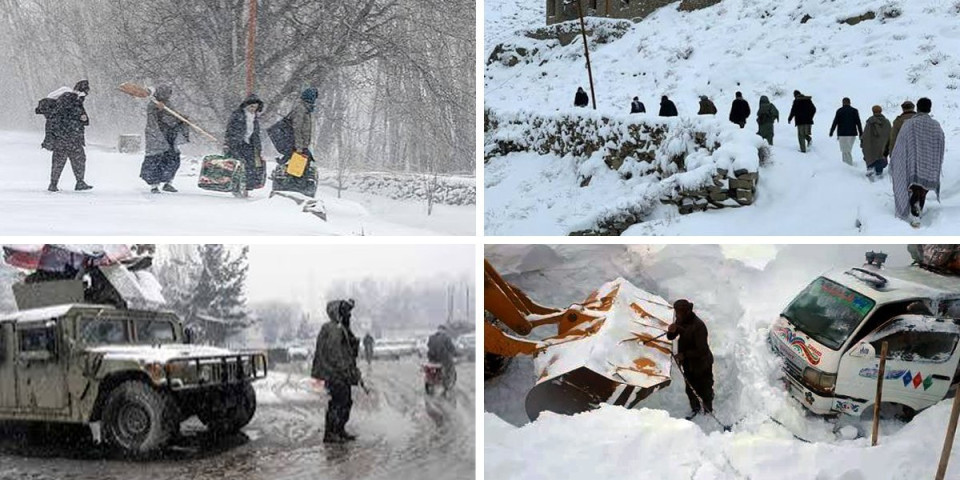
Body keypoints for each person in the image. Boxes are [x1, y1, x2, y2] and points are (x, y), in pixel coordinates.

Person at [311, 299, 361, 443]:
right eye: (347, 313)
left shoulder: (340, 328)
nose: (349, 316)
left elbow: (348, 352)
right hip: (334, 374)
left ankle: (339, 430)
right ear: (339, 314)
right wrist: (346, 370)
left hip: (339, 374)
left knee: (344, 402)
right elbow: (336, 354)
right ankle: (331, 433)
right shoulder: (333, 329)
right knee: (338, 402)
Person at [890, 97, 945, 228]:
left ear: (918, 108)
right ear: (929, 109)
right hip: (929, 164)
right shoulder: (936, 125)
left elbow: (900, 144)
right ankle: (918, 211)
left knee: (915, 188)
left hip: (914, 163)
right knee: (922, 189)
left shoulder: (909, 124)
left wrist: (896, 159)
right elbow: (941, 143)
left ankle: (915, 216)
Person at [38, 80, 93, 192]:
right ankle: (79, 182)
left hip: (62, 137)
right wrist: (79, 121)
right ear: (83, 91)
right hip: (71, 137)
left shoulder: (65, 101)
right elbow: (83, 119)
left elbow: (56, 119)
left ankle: (54, 184)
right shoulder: (73, 100)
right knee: (78, 160)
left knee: (59, 161)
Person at [665, 299, 714, 419]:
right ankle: (695, 409)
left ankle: (708, 410)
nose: (677, 315)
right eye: (676, 312)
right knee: (690, 389)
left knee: (705, 388)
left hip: (702, 364)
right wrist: (671, 332)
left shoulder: (699, 326)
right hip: (688, 364)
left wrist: (684, 355)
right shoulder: (681, 320)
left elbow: (702, 350)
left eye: (679, 313)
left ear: (687, 312)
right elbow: (671, 336)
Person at [141, 85, 189, 193]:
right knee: (156, 160)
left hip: (170, 135)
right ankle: (154, 185)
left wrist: (181, 118)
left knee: (173, 159)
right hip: (157, 136)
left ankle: (168, 182)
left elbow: (172, 116)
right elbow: (156, 119)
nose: (167, 96)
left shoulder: (168, 104)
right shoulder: (153, 104)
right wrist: (158, 110)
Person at [224, 94, 265, 190]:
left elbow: (255, 133)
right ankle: (236, 184)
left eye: (255, 107)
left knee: (251, 165)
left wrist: (258, 147)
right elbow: (230, 129)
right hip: (237, 143)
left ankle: (247, 185)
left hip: (249, 144)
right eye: (251, 106)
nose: (253, 109)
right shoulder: (238, 115)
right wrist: (229, 142)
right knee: (239, 163)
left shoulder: (254, 118)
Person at [829, 98, 863, 165]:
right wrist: (861, 133)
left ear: (842, 102)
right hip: (852, 134)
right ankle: (847, 165)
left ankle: (847, 166)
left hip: (842, 134)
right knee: (847, 150)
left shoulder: (839, 111)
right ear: (850, 102)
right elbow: (858, 123)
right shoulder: (854, 111)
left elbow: (835, 122)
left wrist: (831, 131)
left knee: (845, 151)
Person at [861, 105, 892, 179]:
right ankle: (879, 174)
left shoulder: (869, 123)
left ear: (873, 112)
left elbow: (865, 137)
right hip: (882, 150)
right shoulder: (887, 122)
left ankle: (871, 172)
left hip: (871, 151)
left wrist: (863, 145)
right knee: (880, 165)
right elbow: (889, 136)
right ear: (881, 111)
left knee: (871, 160)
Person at [427, 324, 458, 395]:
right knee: (450, 368)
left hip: (432, 359)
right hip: (444, 359)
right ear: (444, 330)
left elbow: (428, 345)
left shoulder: (431, 337)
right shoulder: (446, 337)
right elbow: (451, 348)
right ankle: (446, 384)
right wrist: (455, 353)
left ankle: (433, 381)